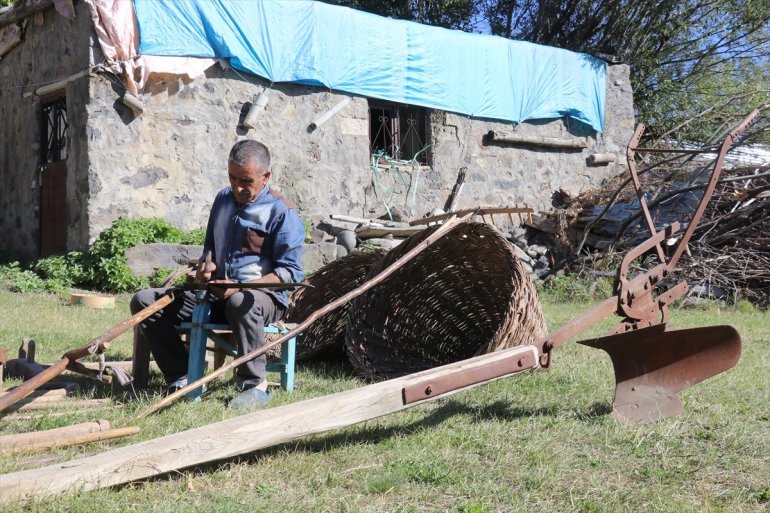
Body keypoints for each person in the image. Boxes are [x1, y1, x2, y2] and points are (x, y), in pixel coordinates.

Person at [130, 140, 304, 409]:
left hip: (262, 300)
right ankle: (181, 376)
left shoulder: (282, 212)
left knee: (240, 302)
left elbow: (290, 274)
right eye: (232, 178)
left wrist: (240, 287)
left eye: (246, 181)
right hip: (215, 295)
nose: (237, 187)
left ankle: (254, 385)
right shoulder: (223, 199)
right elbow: (210, 247)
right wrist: (206, 266)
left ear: (266, 176)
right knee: (145, 300)